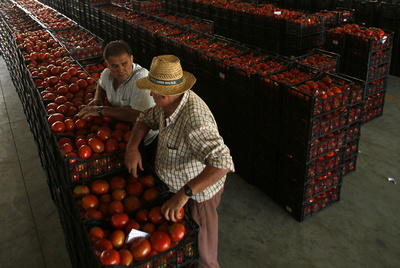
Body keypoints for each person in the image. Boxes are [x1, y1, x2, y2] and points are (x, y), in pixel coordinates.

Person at [125, 55, 235, 268]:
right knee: (183, 244)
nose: (150, 94)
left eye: (153, 91)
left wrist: (184, 194)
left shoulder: (194, 120)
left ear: (166, 95)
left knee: (204, 254)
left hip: (198, 196)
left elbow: (222, 162)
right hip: (175, 188)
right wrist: (132, 147)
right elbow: (144, 119)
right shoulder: (166, 104)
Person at [78, 40, 157, 146]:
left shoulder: (141, 78)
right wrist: (98, 98)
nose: (121, 69)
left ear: (132, 59)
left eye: (124, 64)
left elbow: (139, 116)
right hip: (121, 130)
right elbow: (101, 85)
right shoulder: (107, 74)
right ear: (108, 65)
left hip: (143, 139)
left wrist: (101, 110)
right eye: (115, 66)